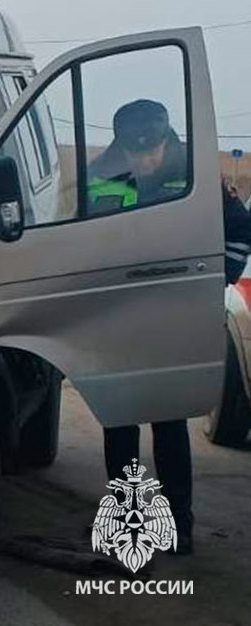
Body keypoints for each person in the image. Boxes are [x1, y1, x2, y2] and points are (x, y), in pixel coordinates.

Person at [89, 98, 251, 555]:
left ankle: (180, 526)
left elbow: (240, 233)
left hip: (171, 322)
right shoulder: (101, 176)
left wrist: (211, 284)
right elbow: (84, 245)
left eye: (153, 150)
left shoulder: (198, 180)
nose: (145, 160)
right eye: (136, 152)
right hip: (117, 322)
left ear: (167, 140)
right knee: (119, 426)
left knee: (169, 423)